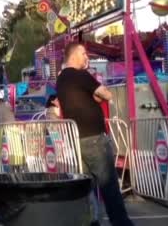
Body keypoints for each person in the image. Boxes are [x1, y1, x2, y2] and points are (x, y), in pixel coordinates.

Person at [56, 43, 133, 226]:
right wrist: (99, 92)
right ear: (74, 55)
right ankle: (121, 223)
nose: (86, 58)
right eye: (84, 53)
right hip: (94, 138)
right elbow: (105, 95)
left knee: (84, 188)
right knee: (109, 187)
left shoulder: (62, 79)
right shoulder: (81, 75)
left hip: (76, 140)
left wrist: (93, 95)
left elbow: (90, 95)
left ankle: (90, 222)